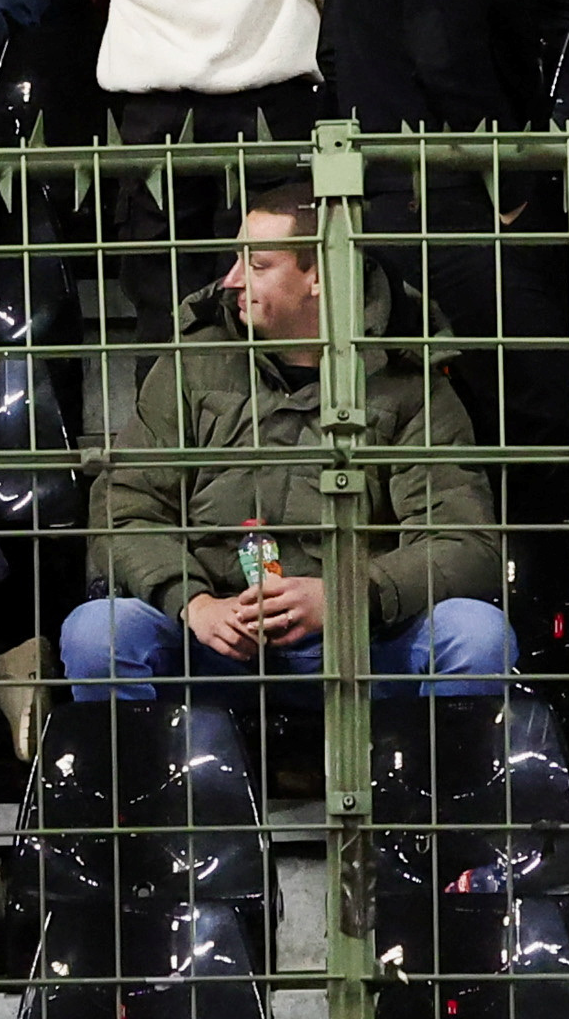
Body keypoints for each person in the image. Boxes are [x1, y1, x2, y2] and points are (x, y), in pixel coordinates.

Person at [66, 174, 514, 698]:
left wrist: (346, 598)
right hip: (215, 640)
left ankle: (421, 778)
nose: (231, 280)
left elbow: (466, 539)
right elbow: (124, 505)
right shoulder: (194, 363)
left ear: (318, 276)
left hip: (362, 642)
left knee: (478, 636)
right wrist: (194, 603)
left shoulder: (410, 380)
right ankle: (154, 778)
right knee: (96, 633)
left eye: (256, 266)